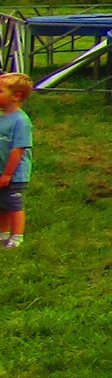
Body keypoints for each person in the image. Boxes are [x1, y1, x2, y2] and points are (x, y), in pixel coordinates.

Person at [0, 73, 33, 250]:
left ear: (16, 96)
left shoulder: (21, 121)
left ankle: (17, 235)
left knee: (14, 204)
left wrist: (7, 174)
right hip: (2, 170)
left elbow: (18, 149)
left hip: (15, 174)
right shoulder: (2, 117)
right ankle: (3, 232)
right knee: (1, 203)